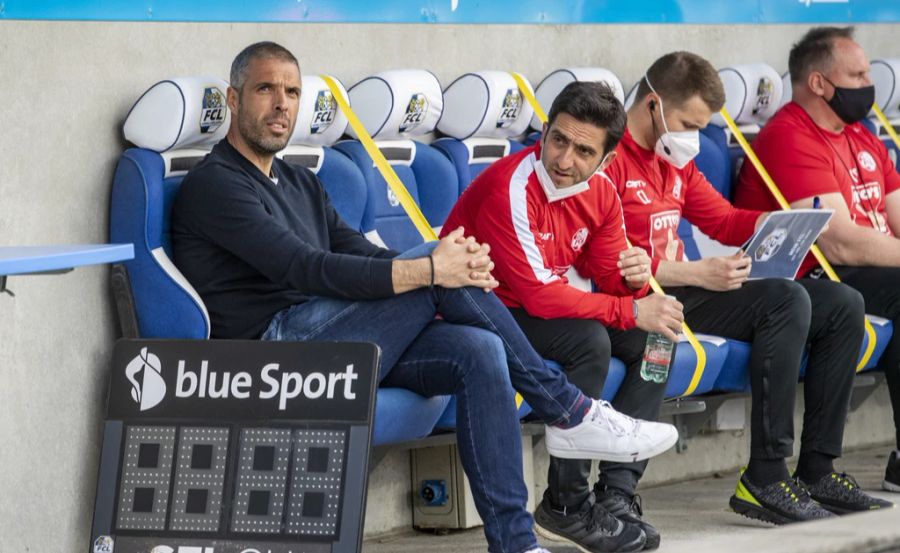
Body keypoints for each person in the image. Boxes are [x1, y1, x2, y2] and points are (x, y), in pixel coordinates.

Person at [169, 41, 678, 553]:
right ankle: (569, 412)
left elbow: (361, 255)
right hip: (275, 351)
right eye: (265, 89)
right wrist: (432, 268)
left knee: (480, 351)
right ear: (233, 100)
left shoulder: (302, 182)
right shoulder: (215, 185)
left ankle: (516, 543)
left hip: (340, 335)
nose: (281, 103)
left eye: (292, 92)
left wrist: (438, 268)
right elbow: (306, 268)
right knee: (437, 261)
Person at [607, 50, 891, 524]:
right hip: (644, 297)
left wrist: (784, 224)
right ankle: (765, 475)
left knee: (843, 303)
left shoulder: (672, 159)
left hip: (684, 289)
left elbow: (721, 218)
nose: (693, 138)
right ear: (654, 104)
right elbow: (608, 260)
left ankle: (818, 469)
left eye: (702, 127)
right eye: (687, 123)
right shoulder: (609, 158)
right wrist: (699, 273)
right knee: (784, 299)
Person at [442, 81, 683, 552]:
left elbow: (606, 275)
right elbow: (540, 298)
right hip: (486, 312)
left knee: (658, 341)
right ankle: (566, 504)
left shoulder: (603, 192)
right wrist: (631, 307)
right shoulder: (509, 187)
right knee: (589, 340)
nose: (564, 159)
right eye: (558, 140)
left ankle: (616, 494)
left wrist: (632, 279)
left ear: (606, 161)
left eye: (583, 150)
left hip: (535, 312)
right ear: (546, 130)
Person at [735, 25, 900, 496]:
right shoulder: (789, 136)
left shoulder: (862, 134)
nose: (870, 83)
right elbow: (841, 244)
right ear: (819, 84)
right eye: (859, 73)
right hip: (819, 273)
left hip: (874, 267)